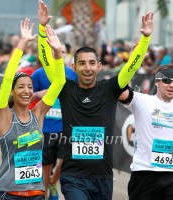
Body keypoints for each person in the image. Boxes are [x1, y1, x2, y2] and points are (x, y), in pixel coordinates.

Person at [37, 0, 154, 198]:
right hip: (73, 177)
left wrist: (145, 39)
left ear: (99, 66)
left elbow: (131, 67)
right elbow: (47, 62)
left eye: (92, 63)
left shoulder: (110, 88)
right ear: (73, 68)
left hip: (103, 178)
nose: (87, 68)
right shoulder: (65, 87)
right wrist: (41, 30)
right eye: (81, 63)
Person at [0, 18, 65, 199]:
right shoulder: (4, 115)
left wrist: (57, 52)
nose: (26, 91)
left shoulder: (37, 114)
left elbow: (59, 82)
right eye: (21, 87)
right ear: (12, 92)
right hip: (8, 194)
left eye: (30, 87)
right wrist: (23, 43)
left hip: (37, 193)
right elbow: (7, 78)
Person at [31, 43, 77, 199]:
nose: (60, 54)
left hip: (65, 127)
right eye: (57, 51)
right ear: (50, 54)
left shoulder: (71, 74)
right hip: (46, 128)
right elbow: (26, 95)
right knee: (45, 164)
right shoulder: (39, 74)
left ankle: (53, 183)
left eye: (63, 51)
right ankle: (43, 193)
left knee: (64, 161)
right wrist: (38, 94)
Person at [122, 65, 173, 200]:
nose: (171, 85)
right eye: (167, 80)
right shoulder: (143, 101)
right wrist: (131, 64)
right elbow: (119, 90)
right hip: (144, 174)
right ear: (156, 82)